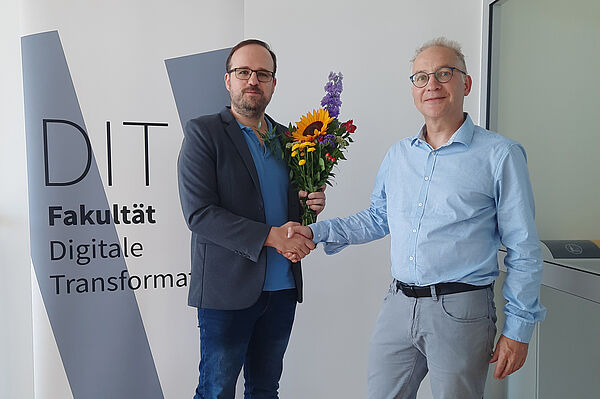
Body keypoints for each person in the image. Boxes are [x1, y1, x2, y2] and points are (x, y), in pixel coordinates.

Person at [286, 37, 546, 399]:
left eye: (444, 73)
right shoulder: (398, 156)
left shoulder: (500, 155)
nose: (432, 85)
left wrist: (519, 329)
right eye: (421, 77)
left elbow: (524, 248)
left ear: (465, 83)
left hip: (461, 310)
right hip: (398, 305)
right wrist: (316, 231)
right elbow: (379, 218)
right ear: (413, 90)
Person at [177, 39, 325, 399]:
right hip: (226, 291)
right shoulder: (204, 133)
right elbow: (200, 213)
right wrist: (272, 237)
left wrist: (311, 206)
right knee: (216, 390)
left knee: (265, 390)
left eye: (262, 73)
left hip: (282, 288)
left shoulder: (291, 140)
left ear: (273, 83)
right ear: (228, 80)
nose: (252, 80)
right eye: (243, 72)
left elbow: (290, 209)